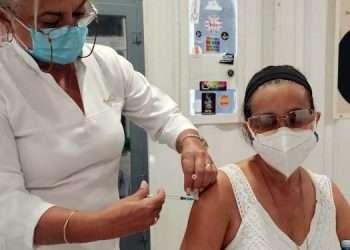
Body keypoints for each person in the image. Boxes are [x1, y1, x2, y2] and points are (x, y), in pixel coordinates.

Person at [0, 0, 218, 249]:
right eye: (51, 22)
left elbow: (164, 114)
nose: (71, 28)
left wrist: (190, 141)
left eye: (79, 14)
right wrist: (100, 225)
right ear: (5, 20)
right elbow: (6, 208)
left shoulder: (106, 64)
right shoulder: (6, 82)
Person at [181, 65, 350, 250]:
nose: (283, 131)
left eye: (297, 117)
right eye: (266, 122)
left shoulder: (328, 194)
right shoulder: (223, 193)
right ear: (249, 129)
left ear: (314, 119)